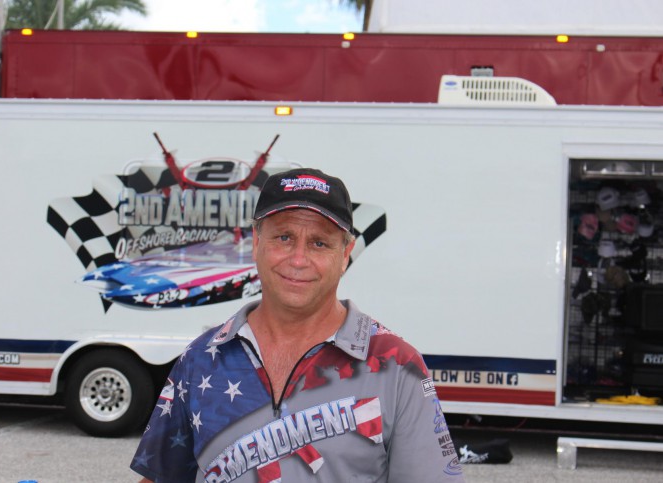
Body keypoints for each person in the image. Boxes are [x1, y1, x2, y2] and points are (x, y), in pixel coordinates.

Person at [130, 168, 464, 482]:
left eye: (319, 243)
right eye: (284, 237)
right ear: (257, 243)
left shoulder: (397, 366)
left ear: (345, 254)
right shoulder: (201, 358)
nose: (299, 259)